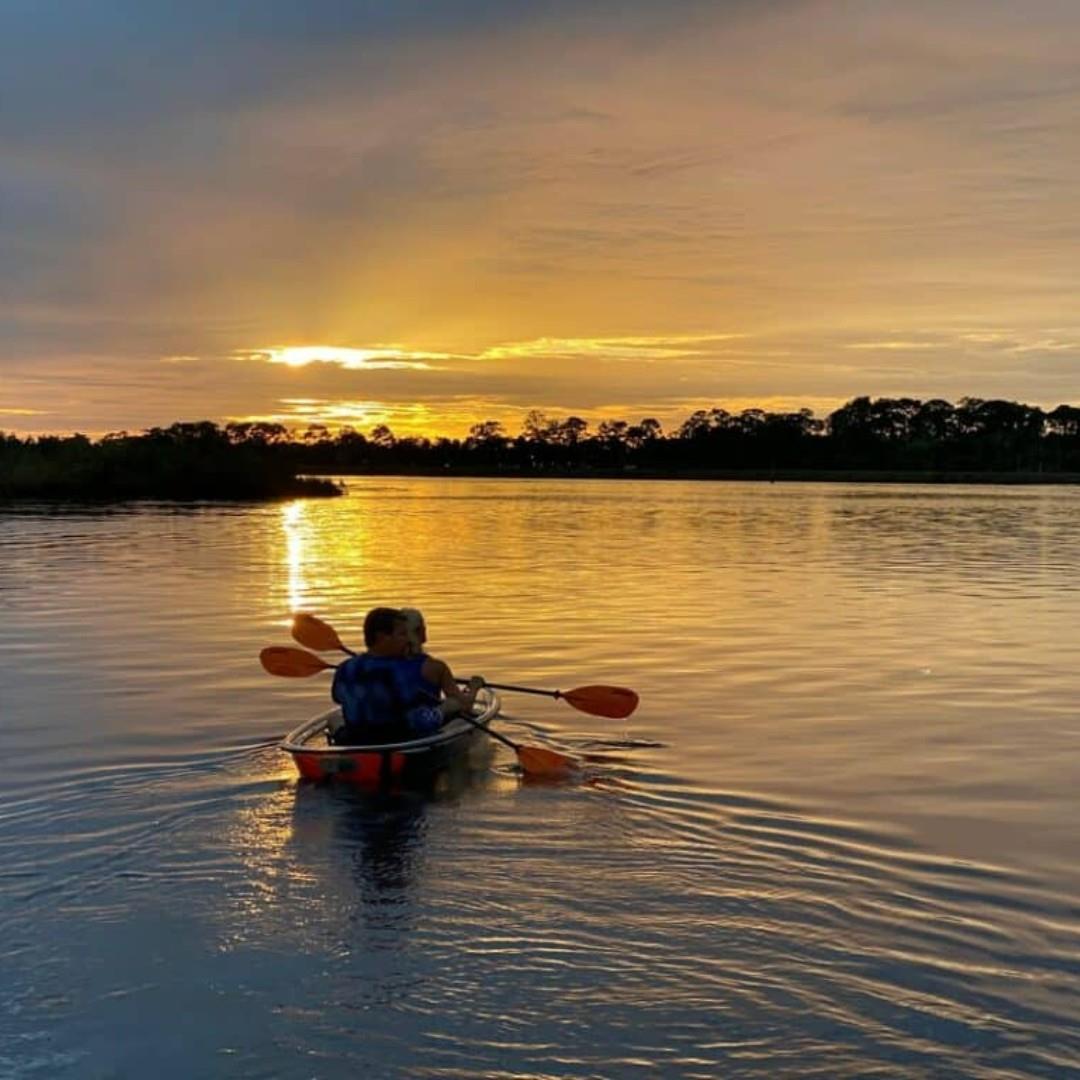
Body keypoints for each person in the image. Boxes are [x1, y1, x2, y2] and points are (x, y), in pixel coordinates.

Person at [330, 607, 483, 744]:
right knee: (452, 705)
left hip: (354, 738)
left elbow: (337, 698)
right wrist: (443, 710)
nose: (406, 640)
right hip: (397, 740)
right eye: (402, 635)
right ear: (382, 637)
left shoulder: (344, 668)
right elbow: (419, 718)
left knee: (334, 718)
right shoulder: (399, 672)